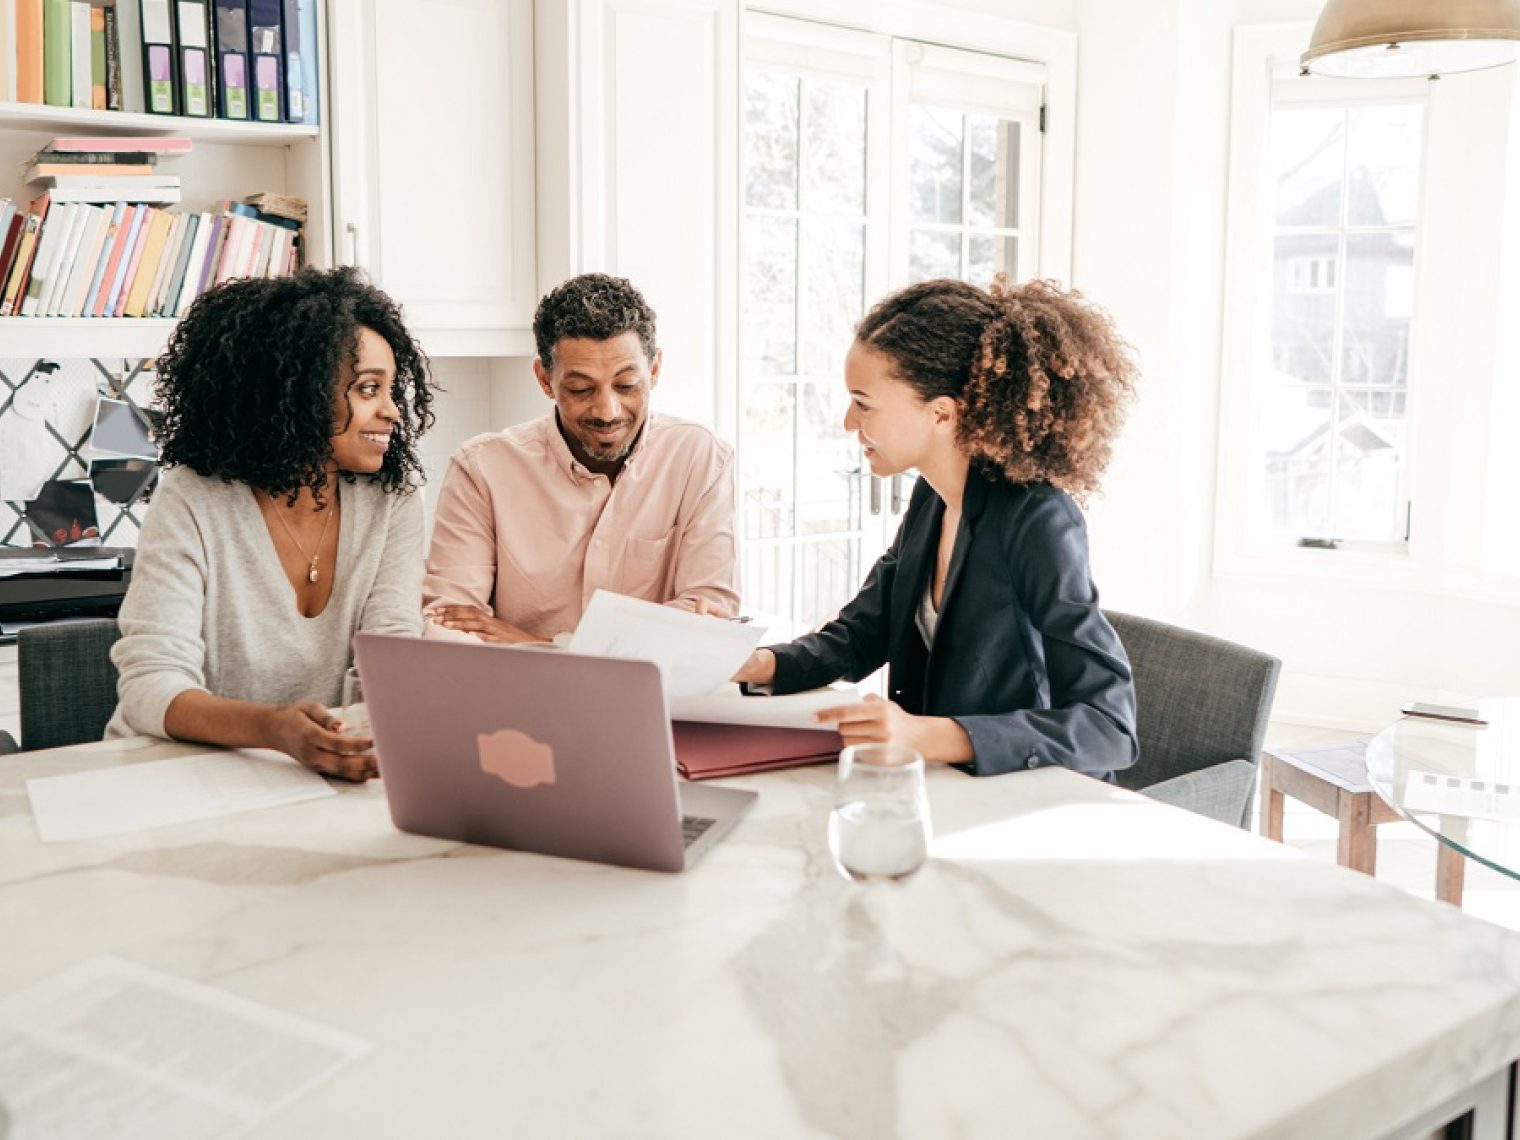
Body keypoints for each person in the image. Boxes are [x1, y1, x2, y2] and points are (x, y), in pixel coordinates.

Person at [733, 276, 1140, 780]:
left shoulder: (1037, 520)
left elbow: (1109, 727)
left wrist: (925, 736)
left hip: (1026, 798)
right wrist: (754, 664)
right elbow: (863, 634)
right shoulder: (933, 497)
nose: (846, 422)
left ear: (942, 414)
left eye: (863, 403)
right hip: (944, 789)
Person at [106, 266, 437, 782]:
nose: (393, 411)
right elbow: (150, 686)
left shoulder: (392, 499)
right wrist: (274, 730)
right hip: (177, 776)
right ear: (298, 392)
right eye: (369, 389)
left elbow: (391, 652)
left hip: (315, 773)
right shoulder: (194, 499)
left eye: (392, 389)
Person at [423, 272, 737, 643]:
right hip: (520, 698)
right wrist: (648, 635)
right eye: (581, 389)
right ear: (545, 379)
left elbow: (710, 616)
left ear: (654, 371)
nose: (607, 410)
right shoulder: (481, 470)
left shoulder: (701, 459)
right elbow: (450, 625)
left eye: (626, 385)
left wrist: (538, 644)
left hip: (653, 699)